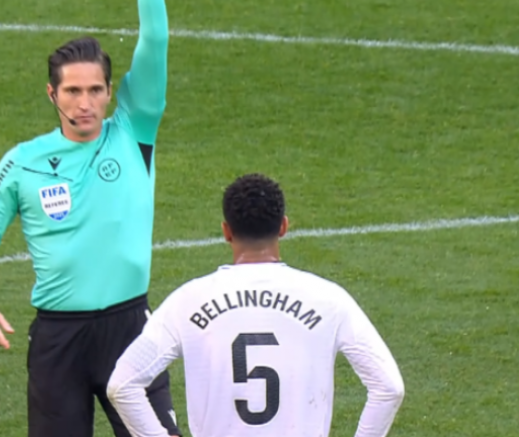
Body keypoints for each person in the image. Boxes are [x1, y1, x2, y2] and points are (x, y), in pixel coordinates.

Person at [0, 0, 180, 437]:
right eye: (73, 91)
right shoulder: (23, 162)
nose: (85, 103)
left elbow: (155, 41)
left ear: (110, 92)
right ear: (52, 94)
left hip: (132, 330)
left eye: (96, 90)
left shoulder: (133, 130)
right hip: (58, 340)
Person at [107, 173, 405, 437]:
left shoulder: (187, 301)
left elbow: (122, 385)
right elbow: (389, 388)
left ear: (226, 231)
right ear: (284, 226)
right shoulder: (329, 299)